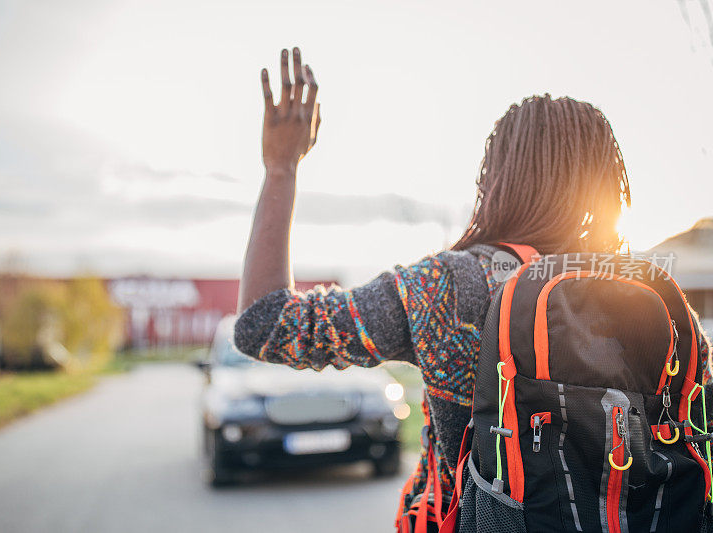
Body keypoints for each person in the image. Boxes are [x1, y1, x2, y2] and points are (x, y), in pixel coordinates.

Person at [233, 47, 712, 527]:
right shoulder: (657, 304)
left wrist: (281, 167)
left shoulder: (446, 287)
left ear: (496, 178)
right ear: (608, 186)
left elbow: (264, 324)